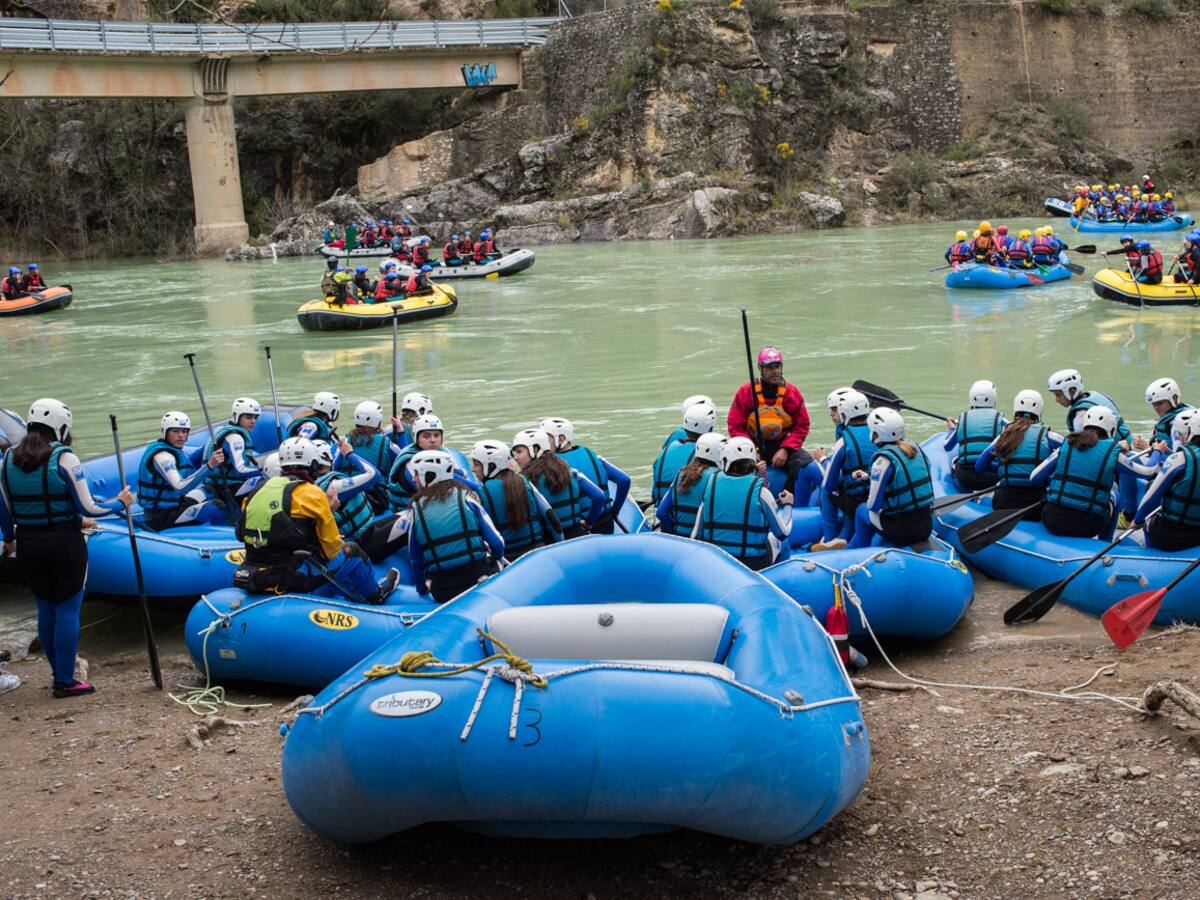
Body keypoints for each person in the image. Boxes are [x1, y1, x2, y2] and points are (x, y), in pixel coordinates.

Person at [0, 399, 134, 698]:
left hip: (29, 546)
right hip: (65, 544)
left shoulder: (8, 458)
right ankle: (65, 681)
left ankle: (57, 674)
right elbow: (89, 507)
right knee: (68, 610)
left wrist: (9, 537)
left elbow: (4, 507)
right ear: (61, 427)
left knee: (45, 608)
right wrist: (120, 503)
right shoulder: (64, 457)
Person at [234, 437, 398, 603]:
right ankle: (375, 595)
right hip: (294, 576)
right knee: (352, 550)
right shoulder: (313, 493)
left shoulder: (257, 490)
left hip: (256, 570)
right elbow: (332, 550)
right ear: (312, 465)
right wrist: (329, 512)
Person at [1030, 407, 1152, 539]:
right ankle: (1105, 542)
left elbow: (1034, 477)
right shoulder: (1114, 452)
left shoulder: (1067, 444)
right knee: (1114, 493)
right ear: (1112, 430)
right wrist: (1155, 451)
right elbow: (1148, 472)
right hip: (1088, 526)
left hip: (1052, 519)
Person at [407, 449, 504, 603]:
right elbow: (497, 544)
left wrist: (422, 588)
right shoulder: (467, 499)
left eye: (416, 474)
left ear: (430, 474)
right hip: (479, 579)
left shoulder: (415, 511)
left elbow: (416, 558)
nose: (413, 479)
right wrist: (495, 560)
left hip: (443, 591)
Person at [1047, 368, 1140, 526]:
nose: (1057, 400)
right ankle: (1128, 511)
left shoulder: (1080, 415)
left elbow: (1083, 449)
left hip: (1111, 455)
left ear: (1071, 390)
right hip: (1125, 449)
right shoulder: (1096, 396)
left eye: (1058, 395)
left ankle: (1125, 516)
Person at [726, 346, 820, 501]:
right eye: (769, 367)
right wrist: (748, 450)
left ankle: (787, 498)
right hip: (753, 444)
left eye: (777, 366)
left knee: (804, 463)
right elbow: (735, 426)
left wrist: (786, 449)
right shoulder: (746, 393)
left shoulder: (791, 393)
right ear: (760, 369)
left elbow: (802, 426)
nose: (774, 371)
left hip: (781, 444)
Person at [691, 436, 792, 570]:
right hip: (752, 564)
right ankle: (775, 584)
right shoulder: (762, 492)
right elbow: (782, 534)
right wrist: (788, 505)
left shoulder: (711, 486)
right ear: (752, 460)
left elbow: (695, 536)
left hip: (717, 561)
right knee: (783, 544)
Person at [848, 408, 934, 550]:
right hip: (926, 527)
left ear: (876, 433)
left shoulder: (882, 461)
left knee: (861, 509)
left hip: (902, 532)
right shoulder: (915, 448)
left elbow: (873, 506)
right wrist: (869, 477)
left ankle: (861, 552)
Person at [974, 390, 1063, 519]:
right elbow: (1069, 451)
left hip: (1004, 504)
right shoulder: (1049, 436)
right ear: (1039, 412)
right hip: (1035, 506)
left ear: (1015, 410)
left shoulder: (1004, 435)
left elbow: (980, 465)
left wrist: (1003, 469)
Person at [470, 439, 562, 560]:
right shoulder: (525, 482)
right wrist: (560, 548)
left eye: (476, 464)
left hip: (509, 560)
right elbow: (552, 519)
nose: (473, 469)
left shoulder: (480, 494)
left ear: (491, 465)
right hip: (538, 551)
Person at [137, 411, 227, 532]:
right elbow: (181, 487)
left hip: (176, 506)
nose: (181, 436)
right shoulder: (163, 456)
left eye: (184, 431)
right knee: (215, 507)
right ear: (166, 432)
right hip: (160, 518)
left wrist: (213, 444)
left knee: (209, 491)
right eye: (175, 431)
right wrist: (209, 465)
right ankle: (223, 539)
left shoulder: (174, 451)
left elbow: (190, 463)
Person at [539, 417, 630, 533]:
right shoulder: (593, 456)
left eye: (546, 439)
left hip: (581, 527)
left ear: (561, 439)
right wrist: (615, 511)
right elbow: (624, 480)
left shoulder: (553, 466)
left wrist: (589, 521)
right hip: (606, 522)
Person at [811, 389, 876, 551]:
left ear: (844, 415)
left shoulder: (844, 440)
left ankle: (830, 538)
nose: (833, 414)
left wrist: (825, 460)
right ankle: (842, 537)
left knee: (827, 491)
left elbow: (829, 485)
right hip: (881, 493)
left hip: (859, 498)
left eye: (836, 411)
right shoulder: (879, 432)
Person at [512, 429, 606, 538]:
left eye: (519, 452)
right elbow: (599, 496)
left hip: (549, 540)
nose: (515, 457)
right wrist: (589, 522)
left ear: (536, 449)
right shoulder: (569, 470)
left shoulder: (523, 480)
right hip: (578, 534)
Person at [1135, 416, 1200, 551]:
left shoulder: (1179, 459)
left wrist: (1137, 520)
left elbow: (1152, 497)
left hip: (1171, 534)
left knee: (1148, 521)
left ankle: (1152, 556)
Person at [204, 397, 264, 519]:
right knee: (264, 479)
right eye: (248, 417)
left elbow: (197, 457)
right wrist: (264, 469)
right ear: (236, 416)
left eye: (255, 417)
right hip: (227, 489)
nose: (253, 421)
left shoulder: (220, 430)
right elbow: (240, 470)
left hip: (213, 484)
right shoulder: (235, 437)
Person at [656, 433, 725, 537]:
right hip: (704, 542)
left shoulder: (681, 474)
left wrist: (671, 532)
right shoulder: (718, 478)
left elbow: (661, 513)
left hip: (679, 537)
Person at [944, 380, 1005, 491]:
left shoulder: (963, 419)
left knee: (954, 460)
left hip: (966, 478)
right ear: (994, 399)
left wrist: (952, 428)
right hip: (992, 477)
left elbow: (947, 446)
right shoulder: (1001, 419)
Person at [650, 403, 714, 505]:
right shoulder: (707, 453)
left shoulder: (668, 448)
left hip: (659, 506)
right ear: (710, 428)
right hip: (683, 511)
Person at [387, 413, 452, 512]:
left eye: (437, 435)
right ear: (415, 437)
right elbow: (431, 491)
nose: (433, 440)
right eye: (426, 436)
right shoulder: (411, 463)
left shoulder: (442, 451)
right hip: (407, 511)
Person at [345, 400, 402, 511]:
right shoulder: (385, 443)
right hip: (377, 501)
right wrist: (400, 431)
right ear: (378, 420)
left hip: (347, 498)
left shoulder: (344, 441)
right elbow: (404, 458)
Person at [1134, 378, 1191, 456]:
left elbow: (1178, 458)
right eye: (1154, 404)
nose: (1156, 408)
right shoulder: (1173, 415)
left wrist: (1147, 447)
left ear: (1174, 398)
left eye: (1159, 403)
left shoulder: (1180, 423)